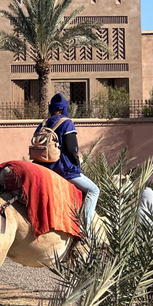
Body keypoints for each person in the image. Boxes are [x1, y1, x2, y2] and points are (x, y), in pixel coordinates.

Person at [33, 93, 100, 227]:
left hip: (42, 167)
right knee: (94, 190)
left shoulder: (43, 124)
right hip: (64, 170)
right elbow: (70, 149)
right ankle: (85, 227)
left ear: (51, 108)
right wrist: (77, 162)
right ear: (64, 109)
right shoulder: (67, 123)